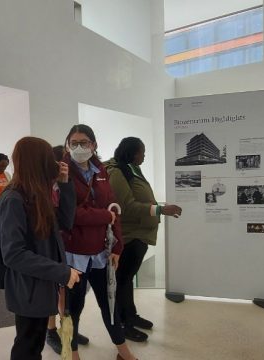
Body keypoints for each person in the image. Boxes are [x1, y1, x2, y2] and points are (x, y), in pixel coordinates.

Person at [0, 136, 81, 360]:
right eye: (48, 159)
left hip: (40, 283)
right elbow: (13, 254)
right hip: (28, 288)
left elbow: (66, 221)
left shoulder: (36, 194)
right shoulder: (14, 199)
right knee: (28, 345)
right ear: (38, 162)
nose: (54, 164)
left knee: (33, 342)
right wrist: (62, 272)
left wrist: (64, 184)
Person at [62, 124, 137, 360]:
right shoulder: (62, 174)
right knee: (72, 308)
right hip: (73, 252)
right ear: (67, 146)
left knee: (110, 304)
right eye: (73, 143)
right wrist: (105, 216)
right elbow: (70, 214)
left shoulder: (101, 170)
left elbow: (115, 207)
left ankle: (123, 352)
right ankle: (70, 353)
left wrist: (117, 245)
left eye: (84, 142)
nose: (79, 147)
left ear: (94, 145)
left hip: (100, 252)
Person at [105, 137, 182, 342]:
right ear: (132, 152)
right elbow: (127, 206)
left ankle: (131, 315)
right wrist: (160, 209)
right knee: (122, 280)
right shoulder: (117, 172)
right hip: (129, 236)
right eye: (142, 152)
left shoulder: (130, 168)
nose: (144, 155)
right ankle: (124, 325)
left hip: (139, 234)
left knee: (126, 279)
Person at [45, 145, 91, 354]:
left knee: (65, 292)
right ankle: (51, 330)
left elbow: (68, 215)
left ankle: (66, 330)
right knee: (54, 291)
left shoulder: (65, 183)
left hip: (66, 246)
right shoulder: (43, 187)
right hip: (50, 247)